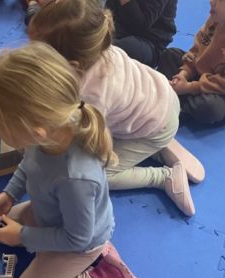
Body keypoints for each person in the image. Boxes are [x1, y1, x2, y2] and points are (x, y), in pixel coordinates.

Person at [0, 41, 154, 278]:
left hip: (81, 243)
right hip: (51, 213)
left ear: (35, 131)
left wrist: (23, 236)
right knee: (0, 227)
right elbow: (30, 164)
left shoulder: (76, 179)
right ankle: (36, 242)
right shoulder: (50, 129)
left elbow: (77, 238)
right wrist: (10, 194)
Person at [28, 0, 204, 217]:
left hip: (155, 122)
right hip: (158, 99)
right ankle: (154, 147)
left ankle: (163, 177)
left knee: (97, 175)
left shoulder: (92, 93)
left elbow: (83, 142)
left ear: (71, 64)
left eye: (40, 53)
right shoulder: (96, 49)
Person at [157, 0, 225, 125]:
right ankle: (176, 93)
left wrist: (189, 87)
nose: (212, 2)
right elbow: (197, 49)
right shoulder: (218, 15)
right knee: (170, 55)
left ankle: (179, 103)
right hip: (203, 73)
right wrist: (184, 73)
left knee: (211, 107)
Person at [105, 0, 178, 68]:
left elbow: (140, 25)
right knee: (101, 40)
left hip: (149, 42)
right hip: (120, 31)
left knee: (111, 49)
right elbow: (109, 13)